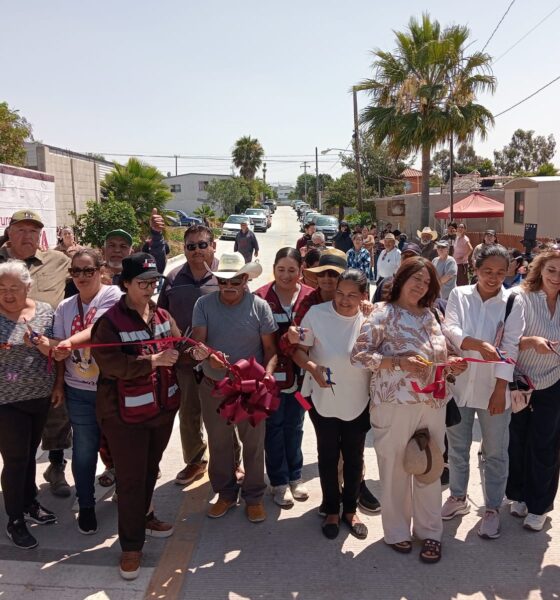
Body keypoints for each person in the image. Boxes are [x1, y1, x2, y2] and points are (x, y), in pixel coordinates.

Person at [351, 257, 467, 563]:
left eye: (427, 282)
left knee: (430, 468)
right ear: (401, 279)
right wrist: (399, 362)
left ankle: (430, 532)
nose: (421, 286)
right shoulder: (382, 313)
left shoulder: (432, 314)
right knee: (395, 471)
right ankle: (397, 531)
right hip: (394, 404)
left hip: (433, 403)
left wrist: (452, 364)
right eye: (416, 278)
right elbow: (359, 356)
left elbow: (442, 355)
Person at [91, 253, 181, 580]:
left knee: (149, 471)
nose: (149, 287)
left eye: (154, 282)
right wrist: (153, 361)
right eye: (142, 282)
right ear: (125, 284)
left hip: (160, 411)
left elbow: (178, 344)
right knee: (130, 479)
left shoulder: (161, 315)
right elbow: (111, 364)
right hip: (123, 417)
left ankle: (144, 518)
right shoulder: (110, 323)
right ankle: (131, 547)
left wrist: (195, 351)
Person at [443, 244, 524, 540]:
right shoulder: (459, 294)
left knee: (496, 452)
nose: (493, 277)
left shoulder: (513, 301)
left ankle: (492, 509)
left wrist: (500, 388)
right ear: (475, 269)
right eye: (487, 271)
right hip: (459, 386)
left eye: (501, 272)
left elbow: (511, 346)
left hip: (494, 389)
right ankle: (458, 497)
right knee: (457, 448)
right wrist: (476, 344)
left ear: (509, 272)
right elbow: (449, 328)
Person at [190, 252, 277, 523]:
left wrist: (268, 375)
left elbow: (270, 349)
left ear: (245, 279)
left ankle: (254, 497)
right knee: (219, 444)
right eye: (223, 281)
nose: (228, 286)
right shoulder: (203, 304)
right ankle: (225, 494)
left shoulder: (260, 306)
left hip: (250, 388)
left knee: (253, 444)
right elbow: (198, 342)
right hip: (214, 385)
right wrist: (206, 355)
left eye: (235, 281)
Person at [48, 249, 122, 534]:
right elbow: (58, 350)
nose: (82, 276)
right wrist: (59, 384)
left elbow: (97, 329)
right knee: (84, 449)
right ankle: (87, 505)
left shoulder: (113, 296)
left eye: (88, 270)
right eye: (75, 271)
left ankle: (129, 494)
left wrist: (66, 343)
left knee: (121, 444)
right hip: (78, 389)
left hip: (111, 387)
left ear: (100, 270)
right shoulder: (64, 307)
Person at [294, 270, 371, 540]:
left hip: (358, 400)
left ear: (363, 296)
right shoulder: (316, 314)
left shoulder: (370, 319)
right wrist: (312, 368)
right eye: (339, 293)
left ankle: (350, 509)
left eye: (352, 295)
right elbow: (299, 351)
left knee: (354, 457)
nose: (344, 300)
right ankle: (331, 510)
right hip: (322, 398)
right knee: (327, 455)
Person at [0, 209, 72, 497]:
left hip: (48, 358)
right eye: (21, 230)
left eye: (33, 230)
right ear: (9, 233)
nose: (27, 236)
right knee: (15, 444)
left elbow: (91, 273)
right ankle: (19, 496)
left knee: (56, 419)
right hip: (7, 366)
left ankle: (55, 467)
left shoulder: (58, 261)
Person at [0, 260, 62, 549]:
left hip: (40, 396)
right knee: (15, 460)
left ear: (28, 286)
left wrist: (58, 384)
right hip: (6, 401)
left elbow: (58, 351)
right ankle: (15, 520)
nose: (7, 293)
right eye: (1, 288)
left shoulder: (45, 311)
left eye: (14, 287)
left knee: (29, 455)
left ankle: (29, 503)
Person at [158, 225, 221, 487]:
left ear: (213, 246)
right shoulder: (173, 279)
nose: (197, 250)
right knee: (189, 413)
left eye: (202, 244)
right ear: (184, 250)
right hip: (184, 362)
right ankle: (195, 461)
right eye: (191, 246)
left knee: (223, 413)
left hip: (217, 361)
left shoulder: (225, 275)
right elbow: (160, 315)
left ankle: (231, 461)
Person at [254, 248, 314, 508]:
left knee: (295, 425)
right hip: (271, 377)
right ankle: (279, 482)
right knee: (274, 427)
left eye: (292, 270)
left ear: (301, 270)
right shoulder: (261, 297)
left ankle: (295, 476)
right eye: (281, 270)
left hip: (302, 377)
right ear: (273, 269)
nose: (286, 275)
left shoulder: (311, 297)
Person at [506, 249, 560, 531]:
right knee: (517, 440)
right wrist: (530, 342)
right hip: (521, 381)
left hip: (554, 381)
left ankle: (539, 506)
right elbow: (503, 340)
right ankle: (518, 494)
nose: (556, 277)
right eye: (551, 270)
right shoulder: (520, 296)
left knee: (545, 444)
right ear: (539, 269)